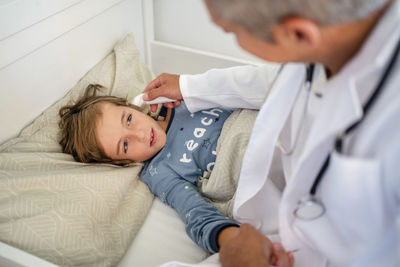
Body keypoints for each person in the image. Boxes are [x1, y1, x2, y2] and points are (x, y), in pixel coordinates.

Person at [143, 0, 400, 266]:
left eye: (231, 31)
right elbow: (273, 79)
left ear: (298, 33)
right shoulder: (325, 47)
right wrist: (190, 86)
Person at [58, 84, 293, 265]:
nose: (139, 135)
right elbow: (196, 214)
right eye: (125, 146)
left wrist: (189, 88)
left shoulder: (179, 101)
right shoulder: (158, 172)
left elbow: (239, 92)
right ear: (122, 162)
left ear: (130, 106)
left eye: (128, 119)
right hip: (252, 172)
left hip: (272, 128)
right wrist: (231, 240)